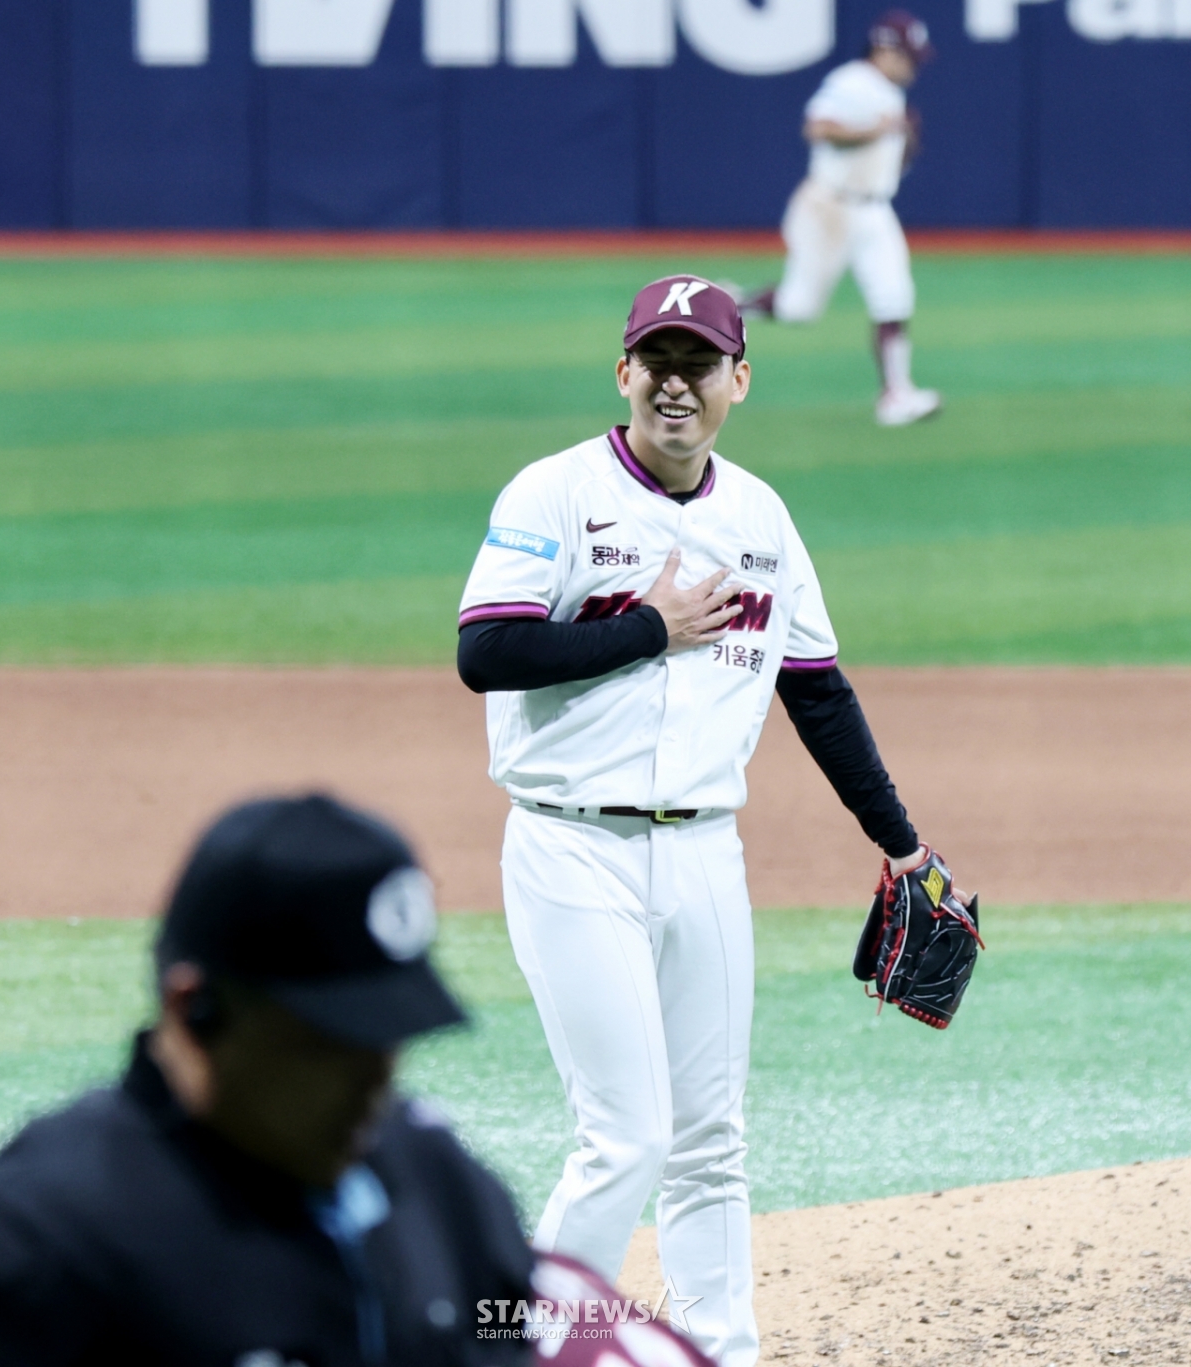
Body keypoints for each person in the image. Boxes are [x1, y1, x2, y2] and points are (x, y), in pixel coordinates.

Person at [456, 274, 965, 1367]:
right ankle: (529, 1348)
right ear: (623, 372)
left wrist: (902, 842)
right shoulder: (555, 493)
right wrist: (649, 627)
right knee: (626, 1136)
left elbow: (817, 691)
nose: (676, 383)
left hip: (703, 855)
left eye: (700, 363)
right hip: (571, 846)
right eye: (658, 360)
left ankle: (719, 1350)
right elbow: (485, 650)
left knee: (709, 1138)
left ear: (741, 379)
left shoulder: (761, 519)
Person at [0, 793, 536, 1366]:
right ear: (193, 1010)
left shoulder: (437, 1177)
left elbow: (508, 1332)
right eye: (329, 1045)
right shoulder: (50, 1235)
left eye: (388, 1038)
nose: (373, 1083)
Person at [741, 10, 940, 427]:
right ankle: (731, 304)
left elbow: (883, 153)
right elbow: (817, 128)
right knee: (798, 307)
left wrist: (898, 145)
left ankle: (896, 395)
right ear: (885, 49)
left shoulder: (888, 90)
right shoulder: (853, 81)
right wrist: (875, 132)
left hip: (874, 208)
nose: (913, 66)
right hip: (830, 206)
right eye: (908, 56)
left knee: (894, 296)